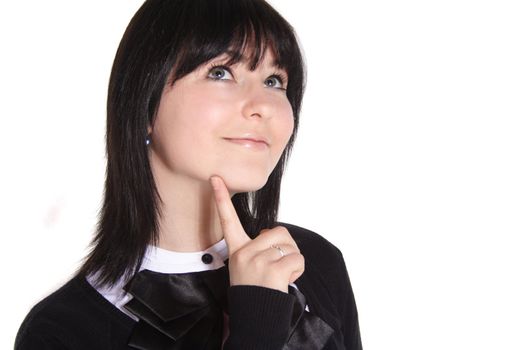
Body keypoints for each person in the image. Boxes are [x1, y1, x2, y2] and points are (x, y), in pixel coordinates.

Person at [15, 0, 362, 349]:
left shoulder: (312, 261)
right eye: (220, 73)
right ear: (144, 103)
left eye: (274, 80)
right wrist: (257, 328)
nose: (264, 106)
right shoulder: (63, 331)